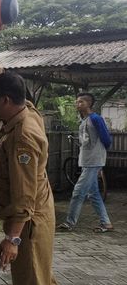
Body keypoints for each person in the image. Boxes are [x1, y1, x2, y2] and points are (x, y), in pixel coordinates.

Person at [0, 29, 90, 285]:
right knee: (45, 283)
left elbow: (25, 196)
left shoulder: (24, 134)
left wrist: (12, 238)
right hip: (36, 218)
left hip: (29, 222)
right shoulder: (23, 108)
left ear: (7, 101)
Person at [58, 92, 113, 233]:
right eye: (77, 102)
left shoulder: (96, 118)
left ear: (89, 104)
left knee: (78, 192)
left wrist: (99, 155)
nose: (78, 104)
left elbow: (107, 139)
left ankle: (69, 223)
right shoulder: (83, 120)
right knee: (93, 194)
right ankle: (106, 223)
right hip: (87, 160)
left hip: (93, 161)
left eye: (81, 102)